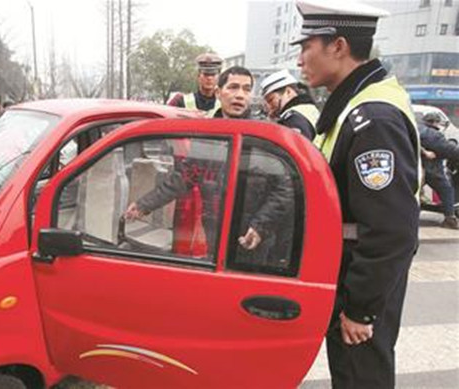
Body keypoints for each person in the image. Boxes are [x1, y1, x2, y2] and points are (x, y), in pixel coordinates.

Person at [293, 1, 421, 387]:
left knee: (361, 379)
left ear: (338, 46)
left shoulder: (373, 119)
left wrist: (361, 309)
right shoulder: (352, 107)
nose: (300, 59)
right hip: (348, 279)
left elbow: (390, 230)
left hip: (361, 289)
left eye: (306, 46)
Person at [126, 66, 293, 263]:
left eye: (246, 89)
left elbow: (285, 189)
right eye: (233, 87)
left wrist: (260, 226)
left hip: (252, 236)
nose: (240, 95)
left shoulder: (264, 136)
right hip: (216, 231)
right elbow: (185, 177)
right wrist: (145, 204)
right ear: (218, 93)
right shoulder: (210, 136)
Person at [419, 111, 459, 229]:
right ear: (434, 122)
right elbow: (447, 150)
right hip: (430, 169)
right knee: (446, 190)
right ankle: (449, 218)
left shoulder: (419, 130)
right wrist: (453, 143)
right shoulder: (432, 134)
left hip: (416, 168)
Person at [259, 69, 319, 140]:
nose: (269, 107)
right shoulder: (308, 109)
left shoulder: (293, 118)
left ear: (288, 92)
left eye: (271, 100)